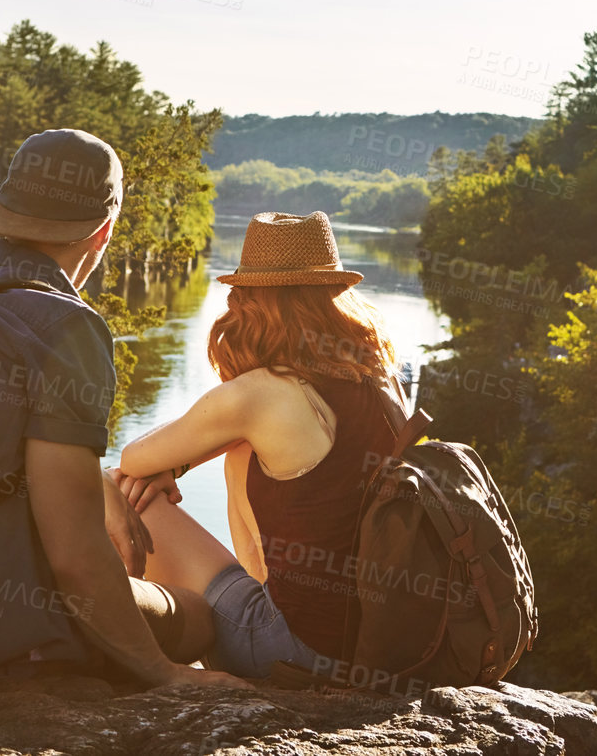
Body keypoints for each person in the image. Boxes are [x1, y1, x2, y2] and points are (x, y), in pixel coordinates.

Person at [0, 128, 240, 690]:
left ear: (4, 210)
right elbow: (74, 557)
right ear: (103, 230)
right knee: (202, 617)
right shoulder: (66, 326)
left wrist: (98, 481)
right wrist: (162, 674)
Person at [113, 210, 407, 679]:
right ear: (334, 294)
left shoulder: (261, 392)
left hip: (291, 655)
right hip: (380, 649)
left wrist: (169, 466)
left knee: (119, 487)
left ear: (251, 298)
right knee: (240, 449)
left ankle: (122, 653)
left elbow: (133, 459)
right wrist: (182, 465)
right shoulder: (382, 379)